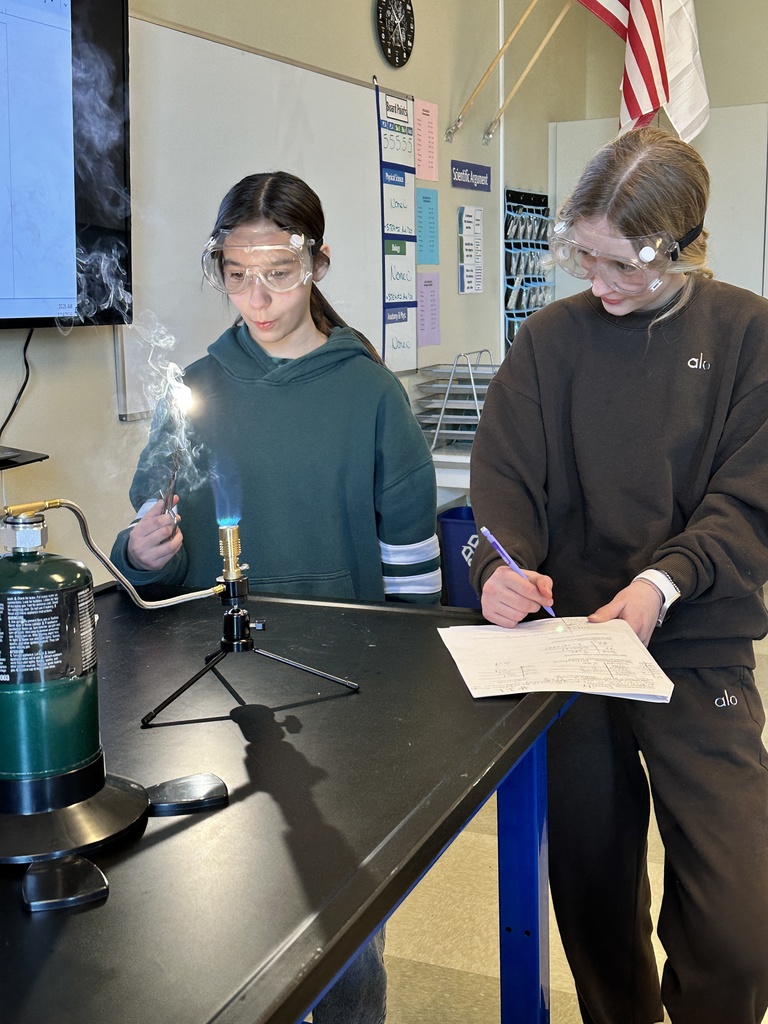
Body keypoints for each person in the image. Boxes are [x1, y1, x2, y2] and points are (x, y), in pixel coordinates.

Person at [111, 170, 443, 1024]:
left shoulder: (370, 392)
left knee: (338, 933)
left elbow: (411, 565)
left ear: (320, 263)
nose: (257, 297)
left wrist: (411, 698)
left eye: (280, 274)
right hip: (201, 694)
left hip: (342, 693)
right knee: (212, 921)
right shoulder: (197, 386)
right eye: (235, 274)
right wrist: (139, 553)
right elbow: (141, 552)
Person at [469, 127, 768, 1024]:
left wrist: (665, 583)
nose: (596, 285)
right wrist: (498, 568)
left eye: (620, 265)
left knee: (739, 922)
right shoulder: (550, 341)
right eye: (581, 257)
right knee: (594, 894)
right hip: (575, 655)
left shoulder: (749, 334)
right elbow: (504, 485)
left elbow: (750, 499)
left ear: (683, 248)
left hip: (696, 647)